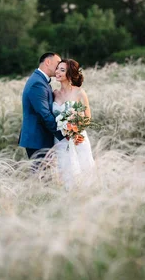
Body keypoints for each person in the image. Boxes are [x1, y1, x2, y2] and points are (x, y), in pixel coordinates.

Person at [19, 53, 83, 175]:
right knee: (42, 177)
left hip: (41, 137)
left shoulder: (41, 81)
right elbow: (44, 114)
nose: (58, 66)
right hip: (38, 139)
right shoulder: (38, 83)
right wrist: (66, 135)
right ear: (48, 62)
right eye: (57, 63)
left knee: (45, 176)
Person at [52, 59, 96, 189]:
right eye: (57, 69)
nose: (57, 72)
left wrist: (75, 130)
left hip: (78, 138)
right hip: (60, 139)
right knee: (66, 169)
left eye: (62, 70)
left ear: (69, 74)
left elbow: (87, 118)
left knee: (84, 166)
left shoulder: (79, 92)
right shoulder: (54, 93)